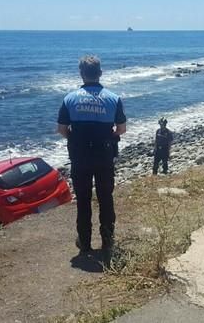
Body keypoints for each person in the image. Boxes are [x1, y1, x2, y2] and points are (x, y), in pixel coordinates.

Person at [57, 55, 126, 259]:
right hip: (104, 155)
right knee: (106, 198)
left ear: (81, 74)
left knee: (83, 201)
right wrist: (108, 136)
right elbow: (121, 129)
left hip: (80, 157)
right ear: (100, 73)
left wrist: (75, 138)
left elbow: (61, 129)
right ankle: (107, 240)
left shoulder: (70, 99)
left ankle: (85, 243)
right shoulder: (113, 98)